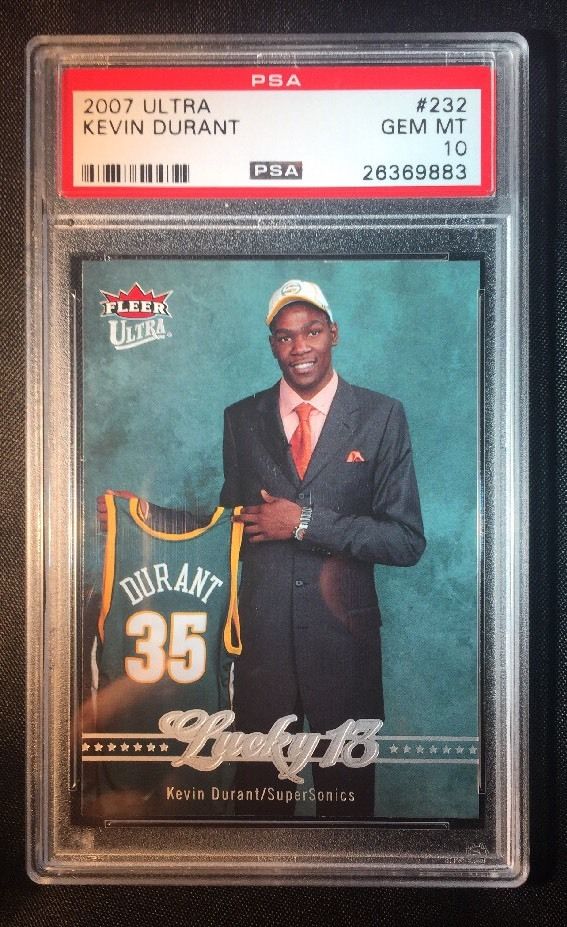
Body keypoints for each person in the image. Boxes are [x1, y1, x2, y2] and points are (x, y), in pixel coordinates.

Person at [220, 279, 426, 817]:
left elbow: (405, 540)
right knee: (258, 817)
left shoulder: (381, 415)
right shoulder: (242, 418)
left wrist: (305, 523)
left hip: (344, 653)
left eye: (311, 331)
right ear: (272, 345)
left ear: (333, 332)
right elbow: (230, 526)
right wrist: (143, 519)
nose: (299, 347)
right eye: (285, 336)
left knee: (348, 815)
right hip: (262, 654)